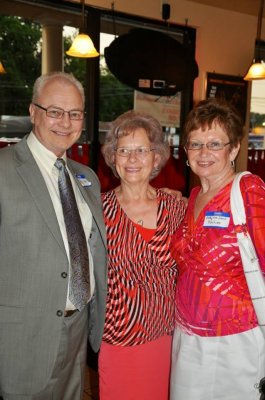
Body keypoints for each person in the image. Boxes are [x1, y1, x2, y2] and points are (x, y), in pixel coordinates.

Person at [0, 71, 107, 400]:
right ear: (33, 112)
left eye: (74, 113)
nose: (66, 122)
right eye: (55, 112)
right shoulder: (3, 169)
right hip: (21, 341)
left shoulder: (86, 177)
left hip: (76, 331)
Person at [170, 98, 265, 400]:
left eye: (214, 143)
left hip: (235, 342)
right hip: (186, 337)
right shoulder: (194, 195)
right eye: (195, 144)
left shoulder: (248, 190)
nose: (203, 153)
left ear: (234, 148)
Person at [98, 110, 187, 400]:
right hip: (119, 338)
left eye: (141, 150)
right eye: (124, 151)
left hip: (167, 337)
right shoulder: (97, 211)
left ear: (156, 157)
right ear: (113, 158)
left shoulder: (178, 209)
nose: (133, 159)